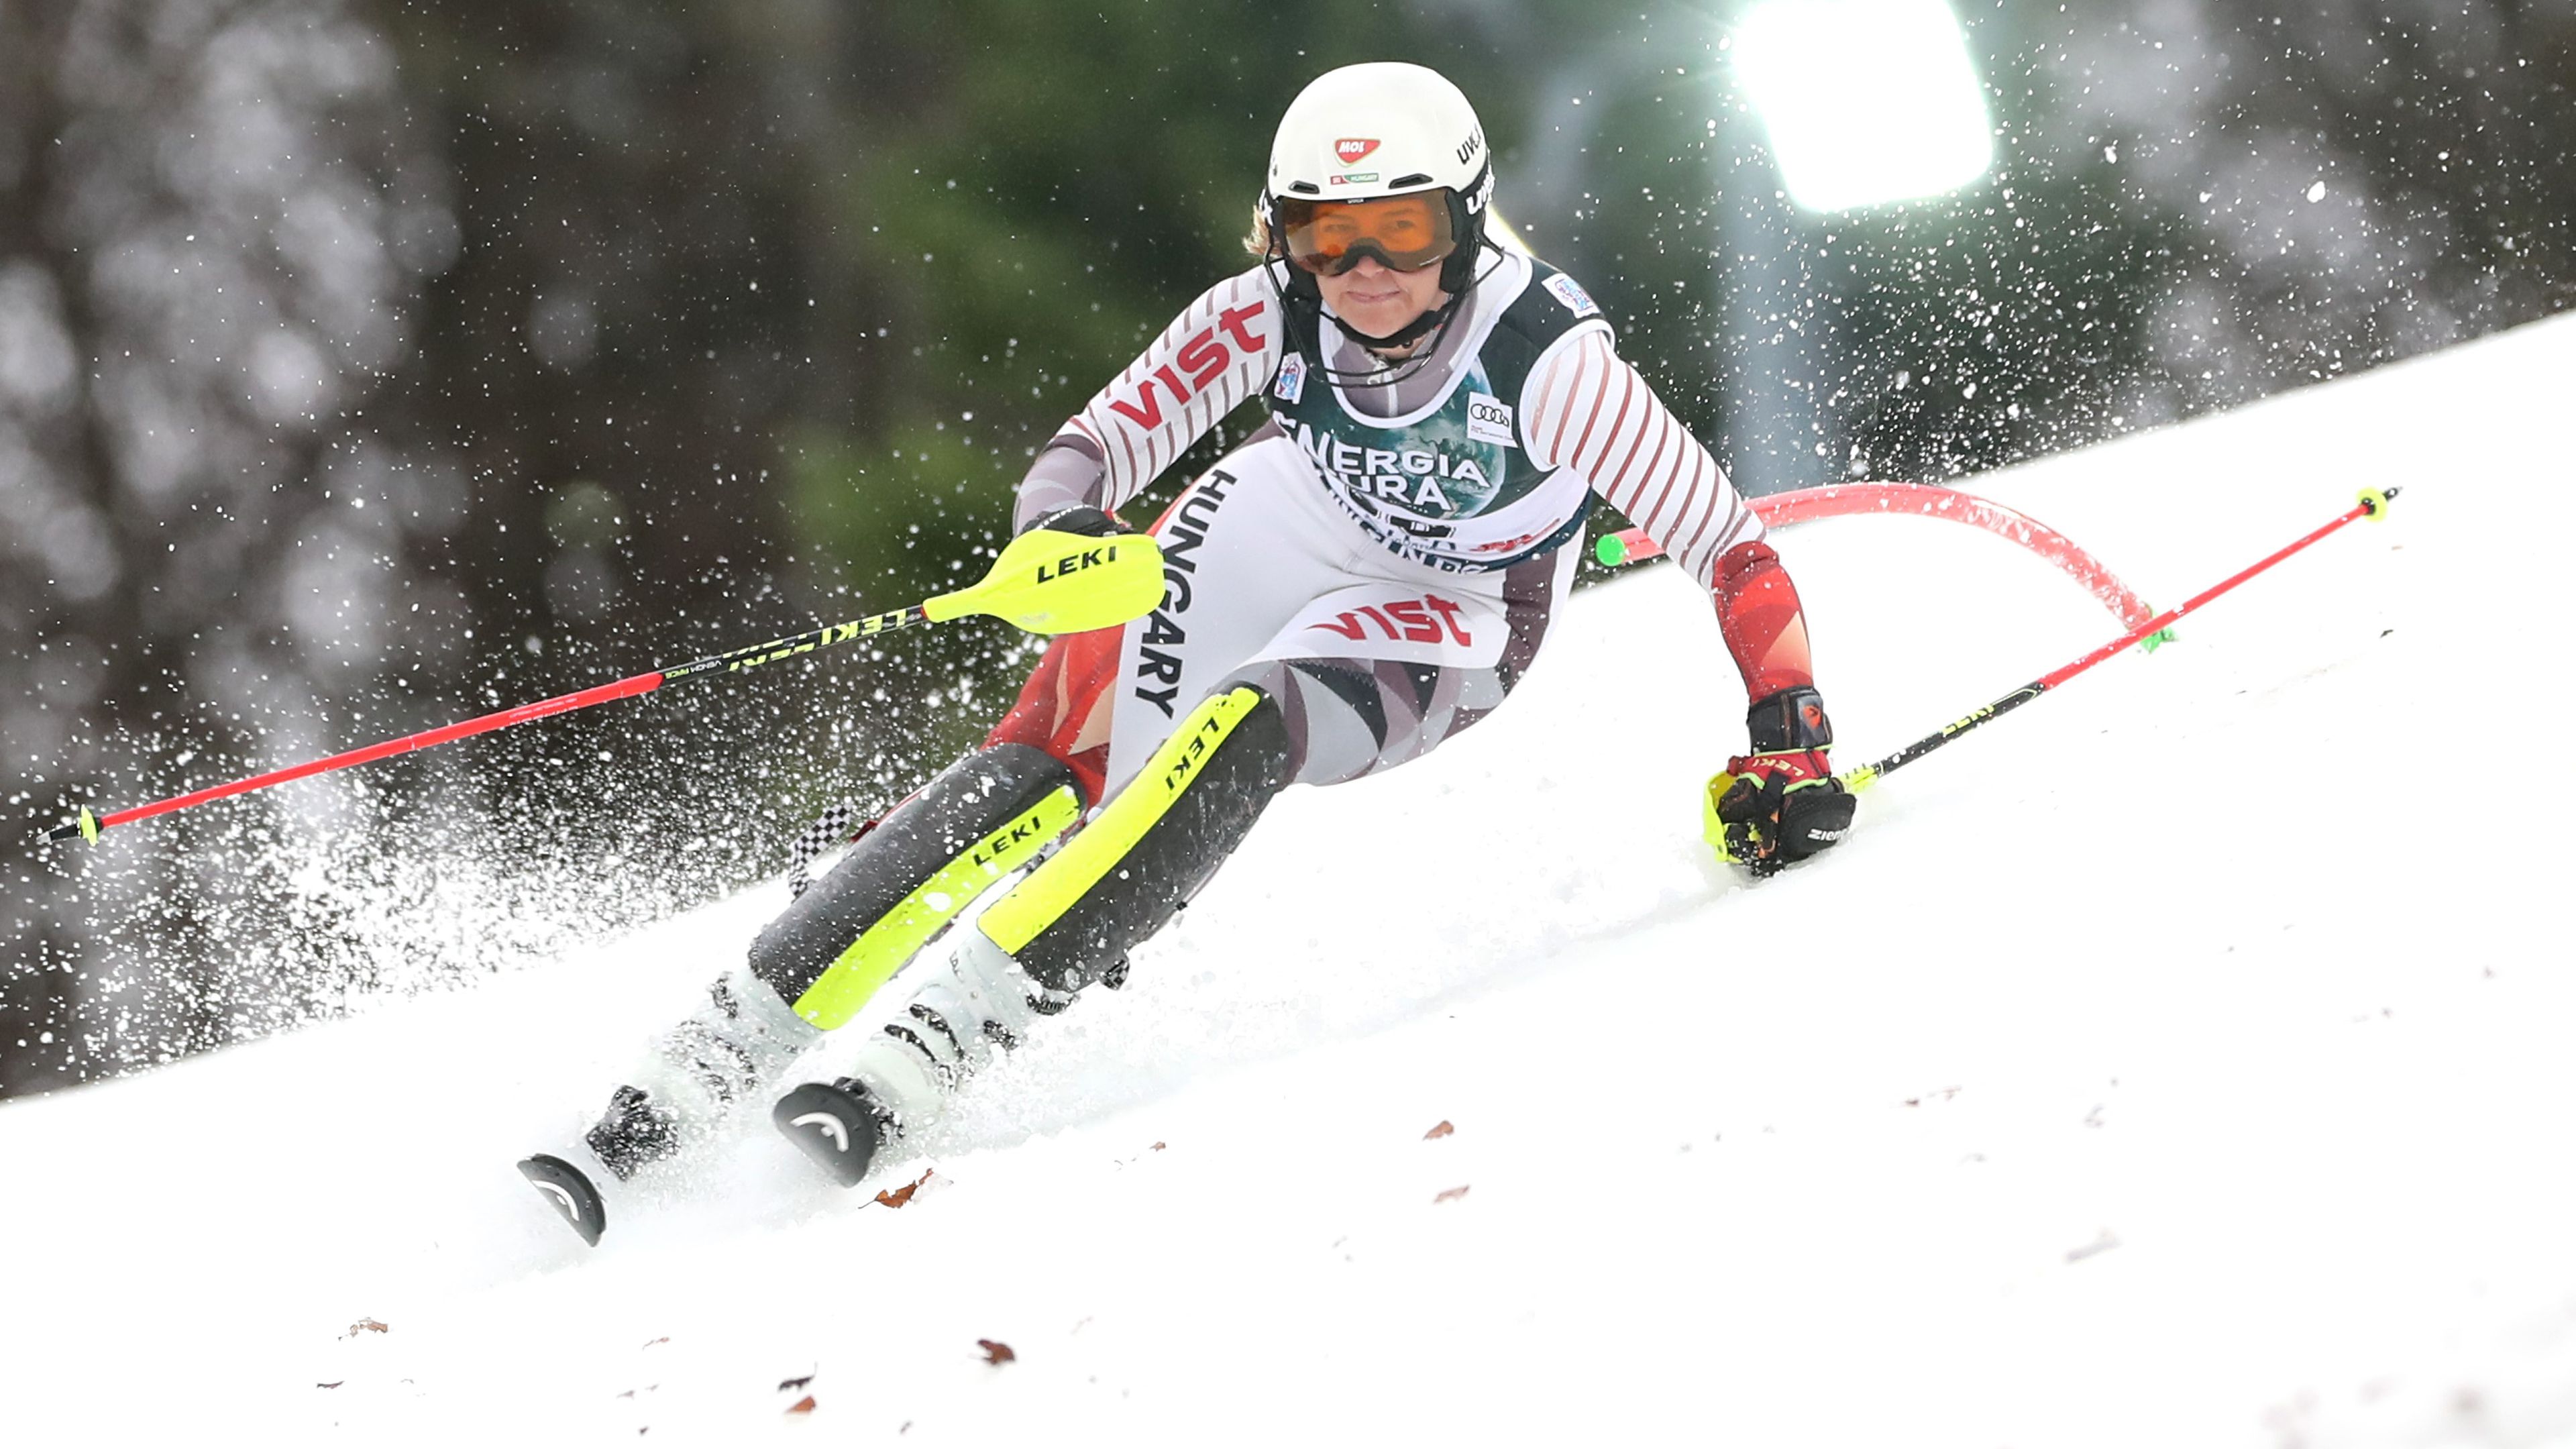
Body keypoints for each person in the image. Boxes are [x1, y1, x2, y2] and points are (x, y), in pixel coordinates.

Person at [520, 60, 1856, 1244]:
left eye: (1404, 230)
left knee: (1250, 721)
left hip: (1458, 606)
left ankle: (942, 1042)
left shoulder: (1548, 362)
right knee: (1045, 762)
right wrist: (1065, 530)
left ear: (1464, 220)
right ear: (1288, 239)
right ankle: (684, 1079)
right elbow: (1092, 448)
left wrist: (1789, 742)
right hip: (1289, 515)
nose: (1367, 270)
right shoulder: (1265, 314)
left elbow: (1730, 548)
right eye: (1331, 237)